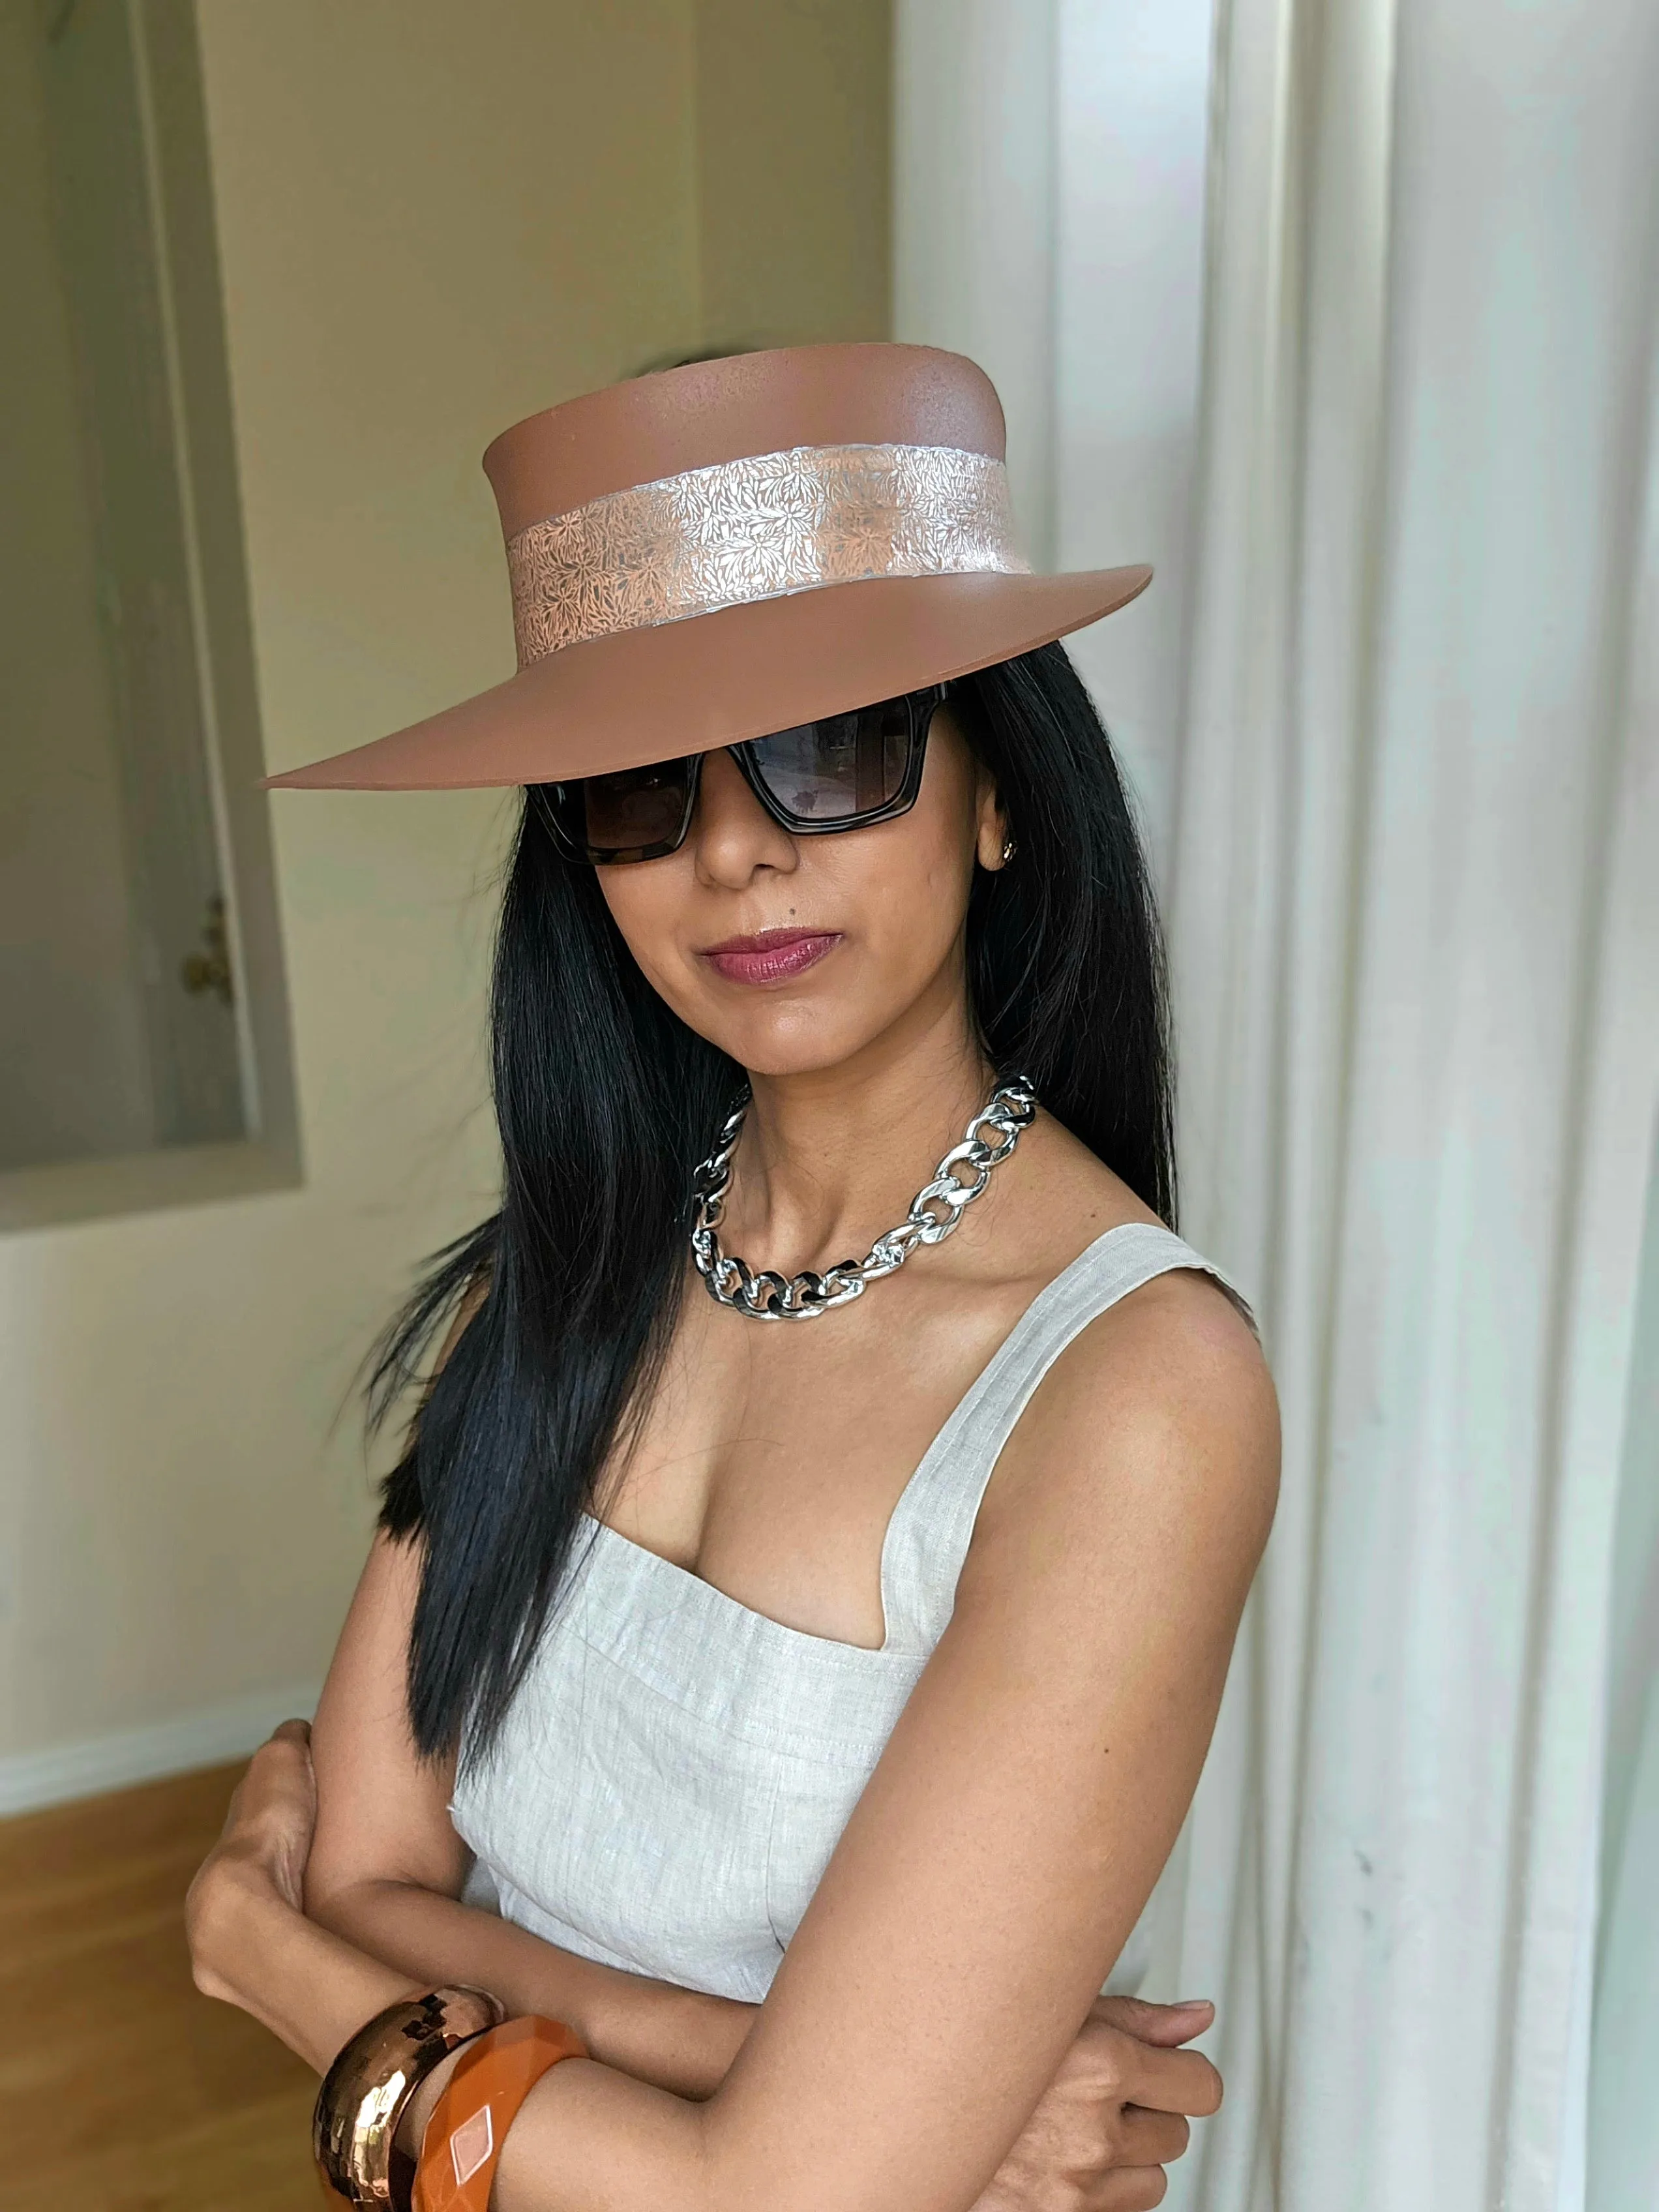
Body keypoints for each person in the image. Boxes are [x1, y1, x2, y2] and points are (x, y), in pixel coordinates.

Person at [186, 344, 1279, 2212]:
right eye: (638, 783)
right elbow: (375, 1868)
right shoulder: (548, 1287)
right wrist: (806, 2077)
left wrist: (273, 1963)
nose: (732, 848)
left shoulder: (1133, 1392)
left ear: (1001, 794)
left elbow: (770, 2201)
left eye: (836, 745)